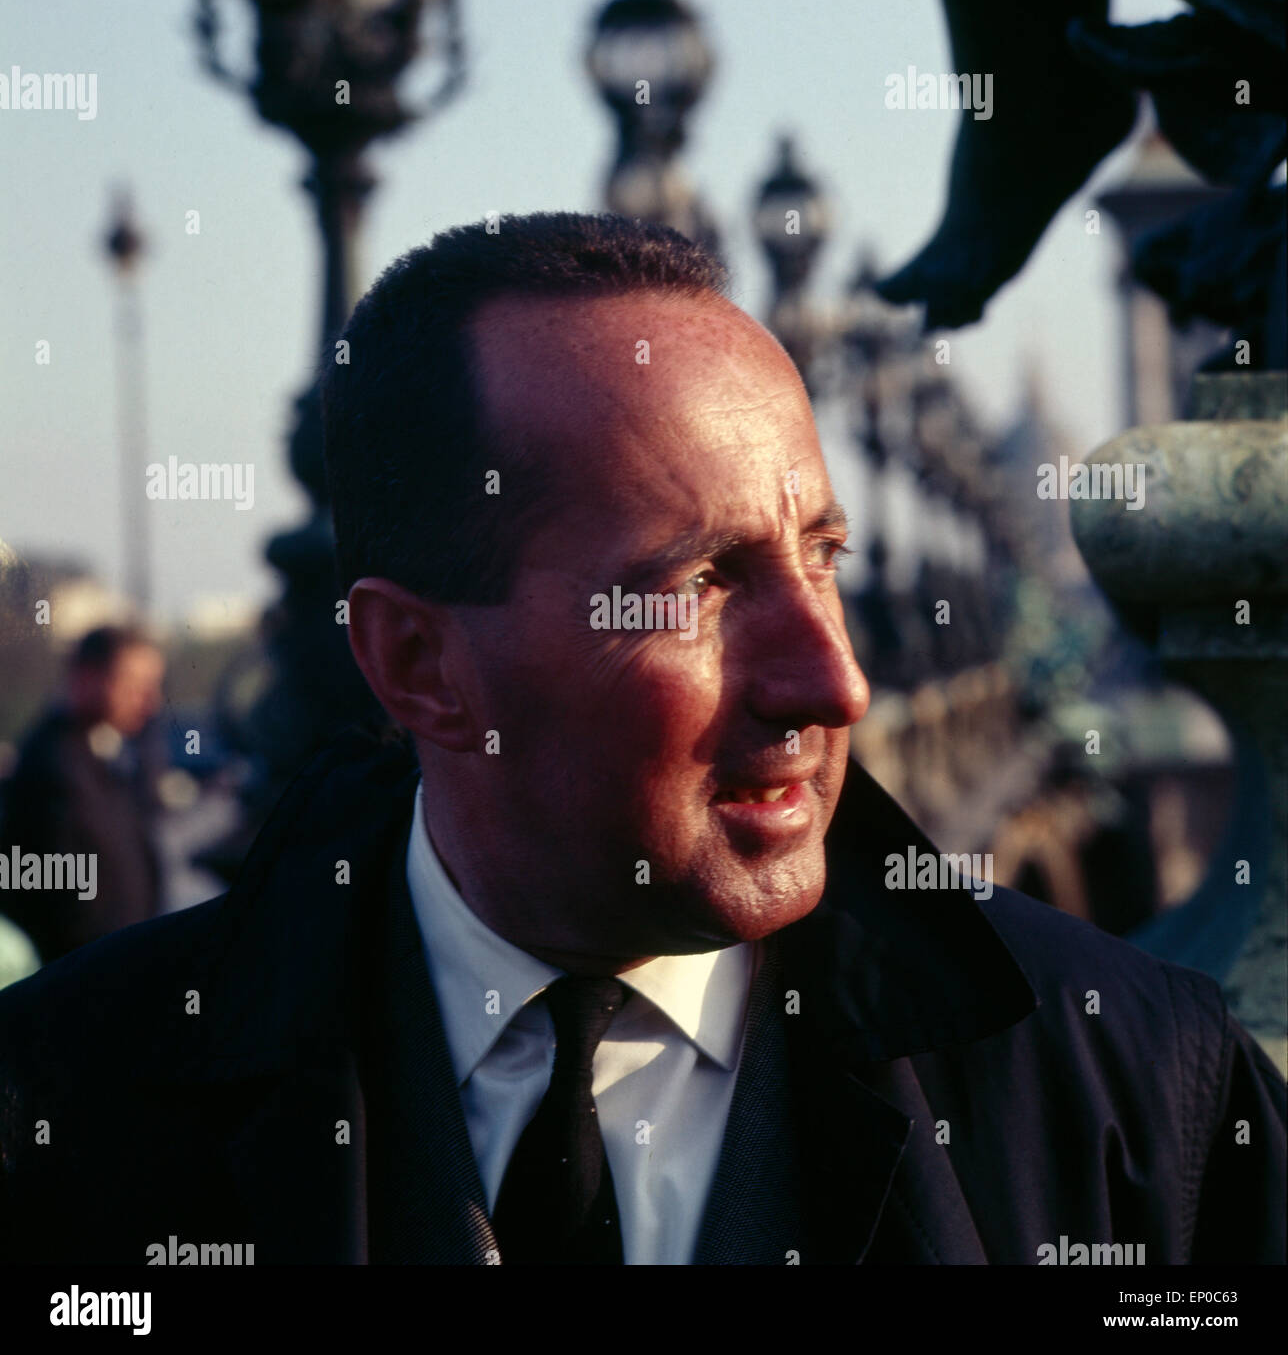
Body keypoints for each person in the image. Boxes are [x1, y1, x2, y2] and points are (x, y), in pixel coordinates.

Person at [0, 215, 1282, 1266]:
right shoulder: (58, 1114)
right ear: (416, 664)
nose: (834, 680)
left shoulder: (1129, 1086)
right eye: (702, 586)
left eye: (821, 558)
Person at [0, 624, 165, 967]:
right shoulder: (54, 766)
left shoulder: (105, 755)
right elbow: (66, 901)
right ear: (86, 678)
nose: (150, 700)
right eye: (133, 685)